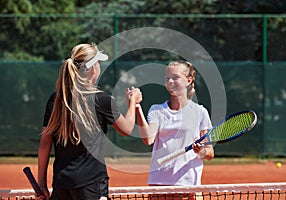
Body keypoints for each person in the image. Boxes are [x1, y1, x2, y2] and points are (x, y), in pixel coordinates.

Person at [37, 43, 142, 200]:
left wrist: (41, 183)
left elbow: (45, 143)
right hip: (92, 184)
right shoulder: (102, 99)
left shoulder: (57, 98)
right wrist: (133, 102)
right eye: (99, 63)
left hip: (61, 183)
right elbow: (126, 129)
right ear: (93, 68)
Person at [134, 60, 214, 188]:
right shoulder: (157, 110)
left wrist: (201, 150)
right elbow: (148, 139)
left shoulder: (200, 112)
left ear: (188, 80)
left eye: (175, 78)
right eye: (167, 78)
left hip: (189, 184)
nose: (170, 82)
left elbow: (209, 154)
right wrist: (137, 108)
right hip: (159, 184)